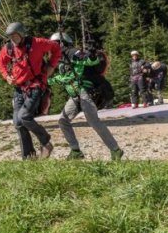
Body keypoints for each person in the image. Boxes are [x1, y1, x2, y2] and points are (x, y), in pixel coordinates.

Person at [50, 32, 124, 160]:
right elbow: (65, 76)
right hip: (74, 95)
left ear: (61, 43)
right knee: (63, 120)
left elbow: (88, 61)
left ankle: (115, 150)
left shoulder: (72, 52)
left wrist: (92, 55)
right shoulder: (61, 58)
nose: (51, 48)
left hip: (85, 91)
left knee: (93, 121)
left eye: (54, 44)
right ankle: (76, 151)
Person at [0, 22, 62, 160]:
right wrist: (6, 76)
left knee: (25, 116)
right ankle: (29, 157)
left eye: (15, 36)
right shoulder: (8, 48)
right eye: (10, 37)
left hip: (35, 85)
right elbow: (1, 63)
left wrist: (51, 67)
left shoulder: (37, 43)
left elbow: (56, 48)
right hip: (19, 89)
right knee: (18, 123)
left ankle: (46, 142)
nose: (13, 39)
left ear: (21, 34)